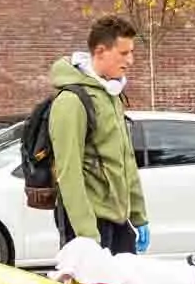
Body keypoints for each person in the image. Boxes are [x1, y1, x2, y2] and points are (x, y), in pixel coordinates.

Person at [44, 15, 143, 255]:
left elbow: (126, 159)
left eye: (131, 52)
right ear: (100, 52)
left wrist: (138, 215)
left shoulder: (111, 94)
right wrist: (87, 235)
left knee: (126, 280)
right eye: (123, 53)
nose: (130, 61)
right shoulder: (72, 101)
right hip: (90, 224)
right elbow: (68, 172)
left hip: (118, 221)